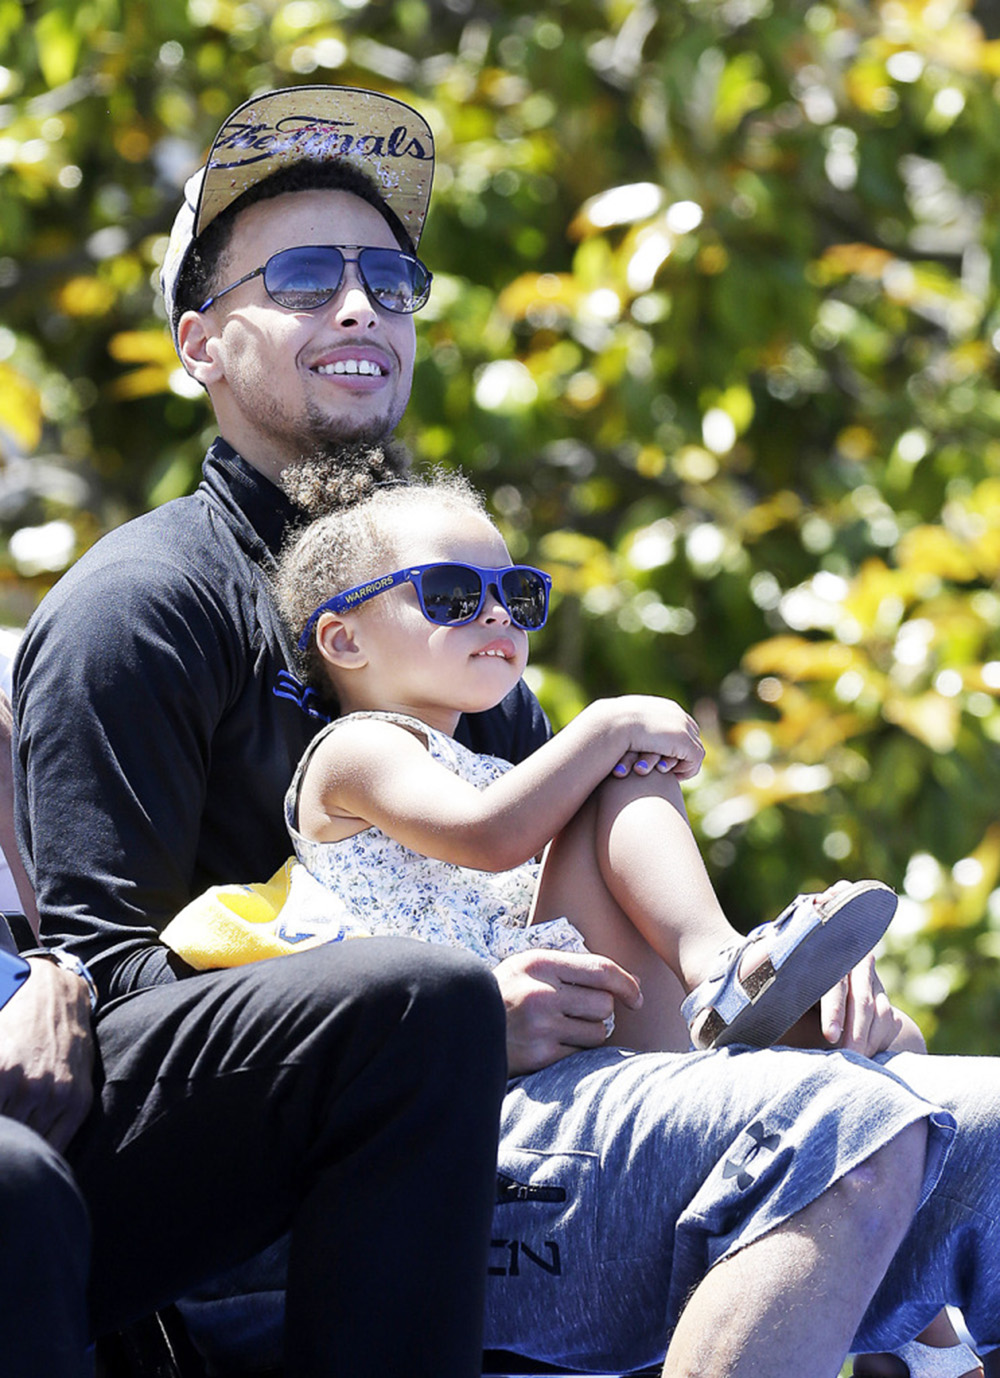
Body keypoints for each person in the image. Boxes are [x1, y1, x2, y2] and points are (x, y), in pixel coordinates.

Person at [7, 83, 991, 1378]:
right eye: (303, 277)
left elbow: (555, 870)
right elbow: (103, 996)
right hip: (313, 1185)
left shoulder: (447, 602)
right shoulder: (138, 610)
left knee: (959, 1115)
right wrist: (433, 1028)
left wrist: (769, 987)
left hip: (544, 1094)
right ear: (200, 341)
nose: (361, 306)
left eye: (390, 279)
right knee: (843, 1147)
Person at [165, 469, 898, 1059]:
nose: (497, 615)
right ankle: (719, 965)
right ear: (345, 640)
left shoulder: (481, 761)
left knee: (889, 1043)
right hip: (515, 1027)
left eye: (516, 594)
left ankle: (734, 976)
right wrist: (607, 725)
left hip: (580, 993)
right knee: (624, 769)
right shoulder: (354, 751)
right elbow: (488, 839)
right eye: (450, 594)